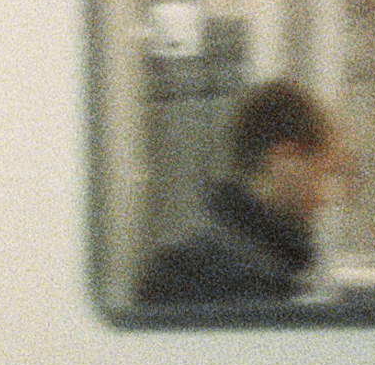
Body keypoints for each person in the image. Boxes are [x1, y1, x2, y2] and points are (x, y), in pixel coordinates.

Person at [136, 80, 343, 306]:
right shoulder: (250, 281)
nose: (326, 198)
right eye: (323, 174)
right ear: (284, 160)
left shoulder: (183, 264)